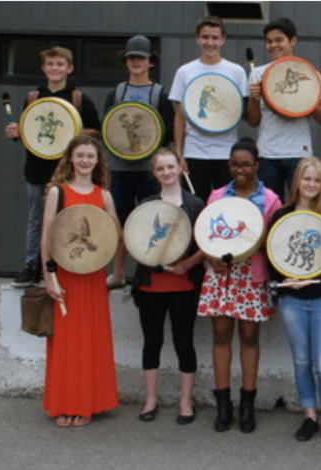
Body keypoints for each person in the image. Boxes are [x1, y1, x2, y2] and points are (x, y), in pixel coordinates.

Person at [197, 138, 281, 434]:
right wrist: (210, 258)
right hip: (222, 274)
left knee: (248, 336)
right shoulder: (217, 196)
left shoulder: (269, 199)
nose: (240, 170)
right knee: (220, 334)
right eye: (234, 164)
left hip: (251, 274)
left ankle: (248, 403)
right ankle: (223, 403)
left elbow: (275, 241)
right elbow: (205, 235)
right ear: (228, 166)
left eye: (246, 164)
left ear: (256, 165)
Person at [40, 134, 120, 427]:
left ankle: (86, 404)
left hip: (93, 276)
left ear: (98, 161)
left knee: (90, 342)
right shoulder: (56, 193)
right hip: (65, 277)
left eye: (91, 156)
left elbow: (113, 236)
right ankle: (65, 403)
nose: (85, 160)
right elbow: (47, 235)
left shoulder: (104, 196)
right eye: (80, 155)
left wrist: (118, 269)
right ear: (71, 159)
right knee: (67, 343)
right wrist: (49, 277)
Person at [7, 46, 101, 287]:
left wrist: (73, 131)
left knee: (67, 219)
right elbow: (27, 132)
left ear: (69, 68)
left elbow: (96, 132)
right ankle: (31, 265)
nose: (55, 68)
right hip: (37, 169)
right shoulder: (33, 98)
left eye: (60, 64)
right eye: (50, 64)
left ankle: (63, 263)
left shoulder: (79, 99)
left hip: (67, 172)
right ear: (43, 68)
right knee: (36, 219)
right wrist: (14, 132)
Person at [269, 157, 321, 442]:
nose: (311, 184)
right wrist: (288, 279)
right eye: (307, 178)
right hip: (293, 299)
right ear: (297, 181)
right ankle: (309, 415)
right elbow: (274, 255)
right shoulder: (281, 216)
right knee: (302, 361)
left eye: (317, 180)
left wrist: (313, 276)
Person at [130, 148, 205, 425]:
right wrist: (154, 260)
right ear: (154, 173)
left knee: (184, 343)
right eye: (160, 168)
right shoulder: (147, 205)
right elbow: (137, 242)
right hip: (151, 286)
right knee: (152, 343)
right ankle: (150, 399)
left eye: (170, 167)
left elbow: (206, 244)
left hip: (184, 285)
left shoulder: (195, 204)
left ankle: (186, 401)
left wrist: (187, 264)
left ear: (180, 168)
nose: (166, 172)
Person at [105, 34, 176, 289]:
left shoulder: (159, 94)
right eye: (131, 58)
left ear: (151, 62)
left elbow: (167, 132)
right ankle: (119, 272)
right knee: (120, 220)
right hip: (120, 167)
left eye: (141, 58)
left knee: (150, 219)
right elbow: (108, 128)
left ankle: (150, 269)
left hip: (149, 169)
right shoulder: (117, 92)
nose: (136, 62)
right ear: (126, 61)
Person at [246, 17, 321, 201]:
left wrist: (305, 98)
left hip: (299, 153)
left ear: (293, 40)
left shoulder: (310, 74)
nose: (273, 45)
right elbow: (253, 121)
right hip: (267, 153)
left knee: (301, 205)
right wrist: (255, 98)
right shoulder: (257, 74)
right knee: (271, 208)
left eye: (279, 40)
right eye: (269, 41)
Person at [168, 16, 249, 202]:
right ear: (197, 39)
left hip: (227, 153)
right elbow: (179, 117)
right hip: (194, 152)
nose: (210, 42)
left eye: (214, 38)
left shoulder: (236, 72)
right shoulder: (185, 72)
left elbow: (241, 111)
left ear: (223, 39)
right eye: (205, 37)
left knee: (226, 208)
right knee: (195, 206)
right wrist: (179, 154)